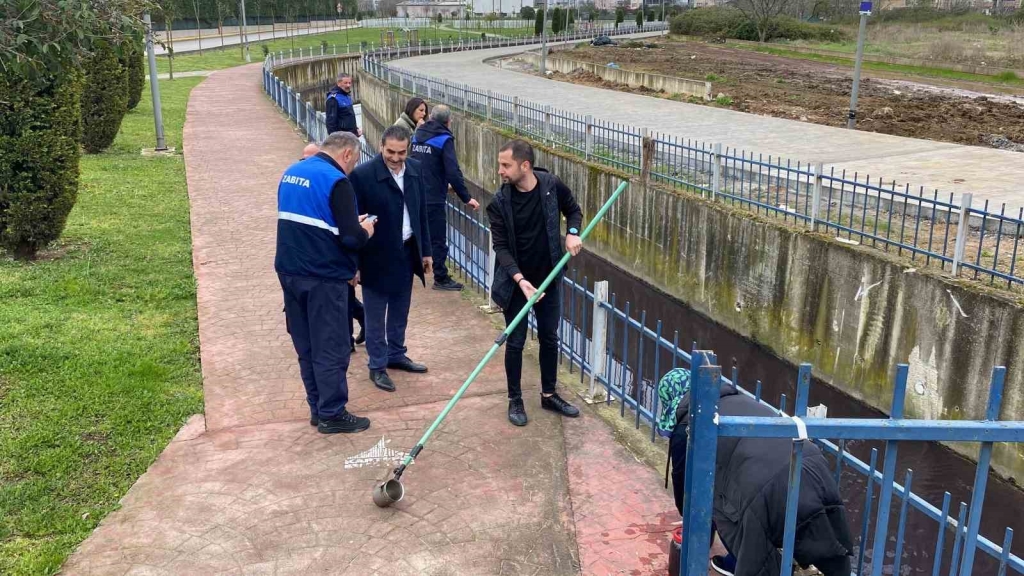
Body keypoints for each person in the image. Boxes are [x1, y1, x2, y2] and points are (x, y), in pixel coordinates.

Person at [669, 380, 854, 576]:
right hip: (809, 460)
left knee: (729, 515)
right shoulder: (740, 399)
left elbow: (686, 493)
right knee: (826, 532)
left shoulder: (688, 424)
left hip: (764, 486)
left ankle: (736, 563)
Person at [275, 131, 375, 434]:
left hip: (289, 273)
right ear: (346, 154)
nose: (352, 167)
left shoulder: (291, 172)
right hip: (323, 277)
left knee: (305, 344)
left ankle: (317, 408)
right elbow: (349, 237)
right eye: (354, 161)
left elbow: (311, 222)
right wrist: (366, 229)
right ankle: (333, 413)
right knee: (330, 346)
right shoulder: (337, 181)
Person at [487, 139, 583, 427]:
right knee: (515, 342)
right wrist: (520, 280)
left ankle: (549, 394)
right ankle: (515, 399)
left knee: (549, 338)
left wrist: (572, 233)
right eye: (500, 165)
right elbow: (501, 248)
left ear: (524, 165)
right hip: (517, 283)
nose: (500, 171)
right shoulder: (499, 203)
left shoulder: (552, 185)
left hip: (549, 279)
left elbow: (573, 210)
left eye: (506, 165)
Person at [349, 126, 432, 393]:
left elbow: (421, 213)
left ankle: (396, 354)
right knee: (375, 314)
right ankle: (377, 365)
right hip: (375, 254)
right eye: (390, 152)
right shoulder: (362, 175)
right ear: (381, 147)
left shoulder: (416, 170)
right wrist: (355, 264)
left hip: (406, 250)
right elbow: (353, 223)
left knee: (400, 306)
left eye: (401, 152)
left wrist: (426, 251)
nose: (396, 158)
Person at [300, 141, 365, 351]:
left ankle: (348, 337)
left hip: (333, 264)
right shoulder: (318, 179)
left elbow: (348, 234)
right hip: (315, 264)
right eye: (304, 159)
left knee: (344, 301)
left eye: (312, 158)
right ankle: (355, 327)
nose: (308, 163)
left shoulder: (336, 182)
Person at [411, 105, 479, 292]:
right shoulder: (444, 139)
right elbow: (453, 172)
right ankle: (440, 277)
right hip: (433, 196)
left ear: (431, 117)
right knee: (438, 238)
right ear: (449, 122)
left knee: (416, 232)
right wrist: (466, 197)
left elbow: (414, 161)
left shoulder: (417, 135)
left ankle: (413, 266)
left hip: (415, 192)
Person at [325, 73, 361, 137]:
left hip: (351, 135)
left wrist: (355, 129)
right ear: (338, 83)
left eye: (350, 83)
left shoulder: (346, 95)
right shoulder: (333, 99)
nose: (348, 85)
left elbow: (348, 117)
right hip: (342, 139)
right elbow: (331, 124)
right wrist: (336, 140)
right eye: (345, 83)